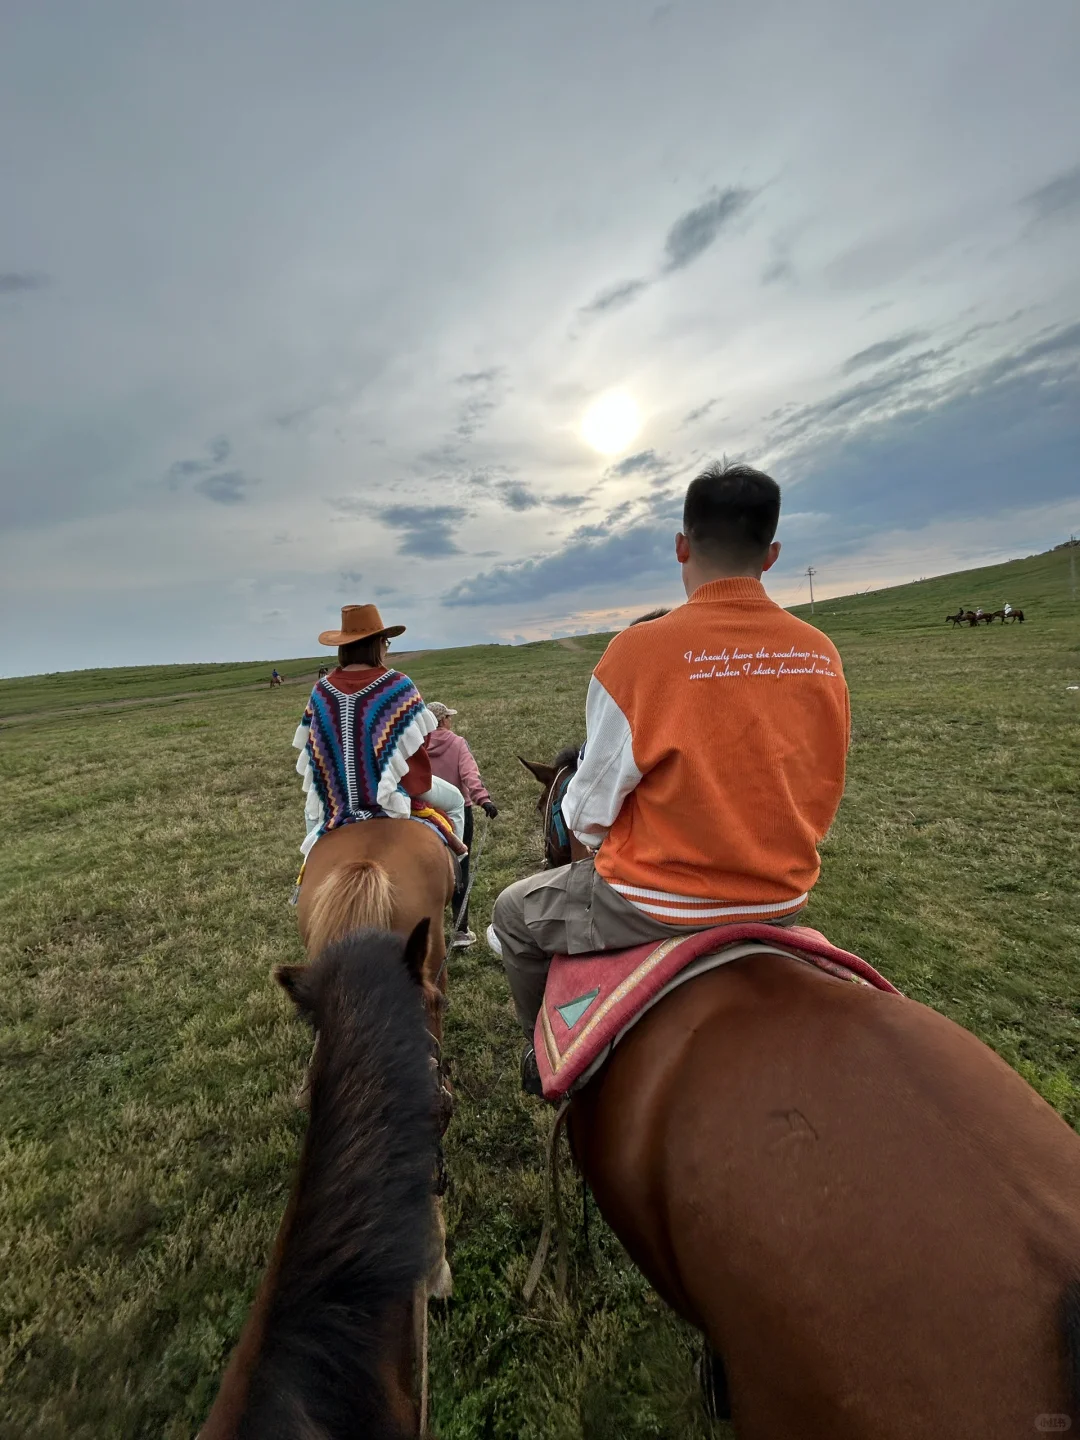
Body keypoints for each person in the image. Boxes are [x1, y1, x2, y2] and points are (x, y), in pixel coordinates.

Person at [489, 461, 851, 1094]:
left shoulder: (639, 652)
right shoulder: (819, 653)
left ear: (682, 545)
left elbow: (588, 811)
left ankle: (539, 1056)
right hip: (782, 900)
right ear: (771, 555)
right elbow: (824, 787)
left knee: (514, 914)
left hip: (654, 904)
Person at [292, 604, 466, 861]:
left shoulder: (321, 691)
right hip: (394, 789)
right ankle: (458, 875)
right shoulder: (399, 686)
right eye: (386, 642)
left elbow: (315, 746)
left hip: (337, 795)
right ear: (378, 644)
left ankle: (306, 878)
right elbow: (420, 741)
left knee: (312, 819)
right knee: (456, 802)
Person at [425, 701, 498, 949]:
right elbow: (469, 775)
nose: (450, 721)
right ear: (443, 720)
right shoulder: (457, 743)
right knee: (460, 870)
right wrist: (483, 800)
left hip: (425, 814)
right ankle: (460, 931)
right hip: (458, 814)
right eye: (448, 717)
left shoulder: (417, 746)